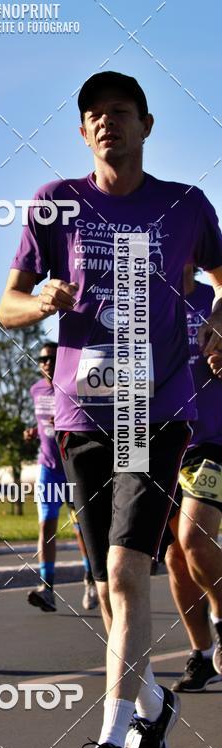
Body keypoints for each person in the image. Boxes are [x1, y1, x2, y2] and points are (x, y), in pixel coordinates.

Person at [0, 70, 222, 748]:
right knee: (107, 590)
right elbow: (5, 305)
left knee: (126, 577)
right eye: (93, 114)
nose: (106, 123)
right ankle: (154, 708)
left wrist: (219, 320)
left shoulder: (186, 205)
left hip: (157, 413)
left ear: (146, 125)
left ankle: (108, 747)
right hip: (82, 417)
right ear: (82, 129)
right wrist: (42, 303)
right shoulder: (55, 203)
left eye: (120, 112)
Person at [165, 265, 222, 691]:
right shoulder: (146, 304)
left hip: (211, 440)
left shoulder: (216, 302)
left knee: (195, 539)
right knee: (175, 557)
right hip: (161, 443)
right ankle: (202, 654)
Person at [25, 340, 98, 612]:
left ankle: (91, 578)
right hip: (48, 468)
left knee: (82, 528)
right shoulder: (36, 390)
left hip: (73, 466)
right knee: (46, 526)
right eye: (43, 359)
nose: (47, 364)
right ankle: (47, 588)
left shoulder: (73, 386)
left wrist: (67, 424)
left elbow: (88, 420)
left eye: (52, 359)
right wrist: (34, 432)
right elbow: (43, 422)